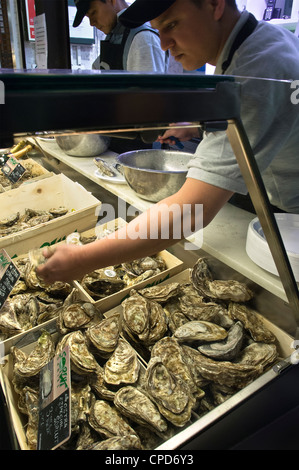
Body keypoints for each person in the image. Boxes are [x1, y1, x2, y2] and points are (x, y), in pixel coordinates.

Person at [37, 0, 299, 284]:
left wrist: (84, 258)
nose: (163, 44)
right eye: (158, 29)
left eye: (172, 25)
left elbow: (189, 212)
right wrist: (197, 130)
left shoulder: (257, 68)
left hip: (290, 215)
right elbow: (268, 125)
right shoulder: (260, 42)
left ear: (214, 4)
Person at [72, 0, 168, 72]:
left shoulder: (142, 39)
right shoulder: (115, 36)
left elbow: (147, 97)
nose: (91, 23)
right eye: (88, 17)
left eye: (93, 12)